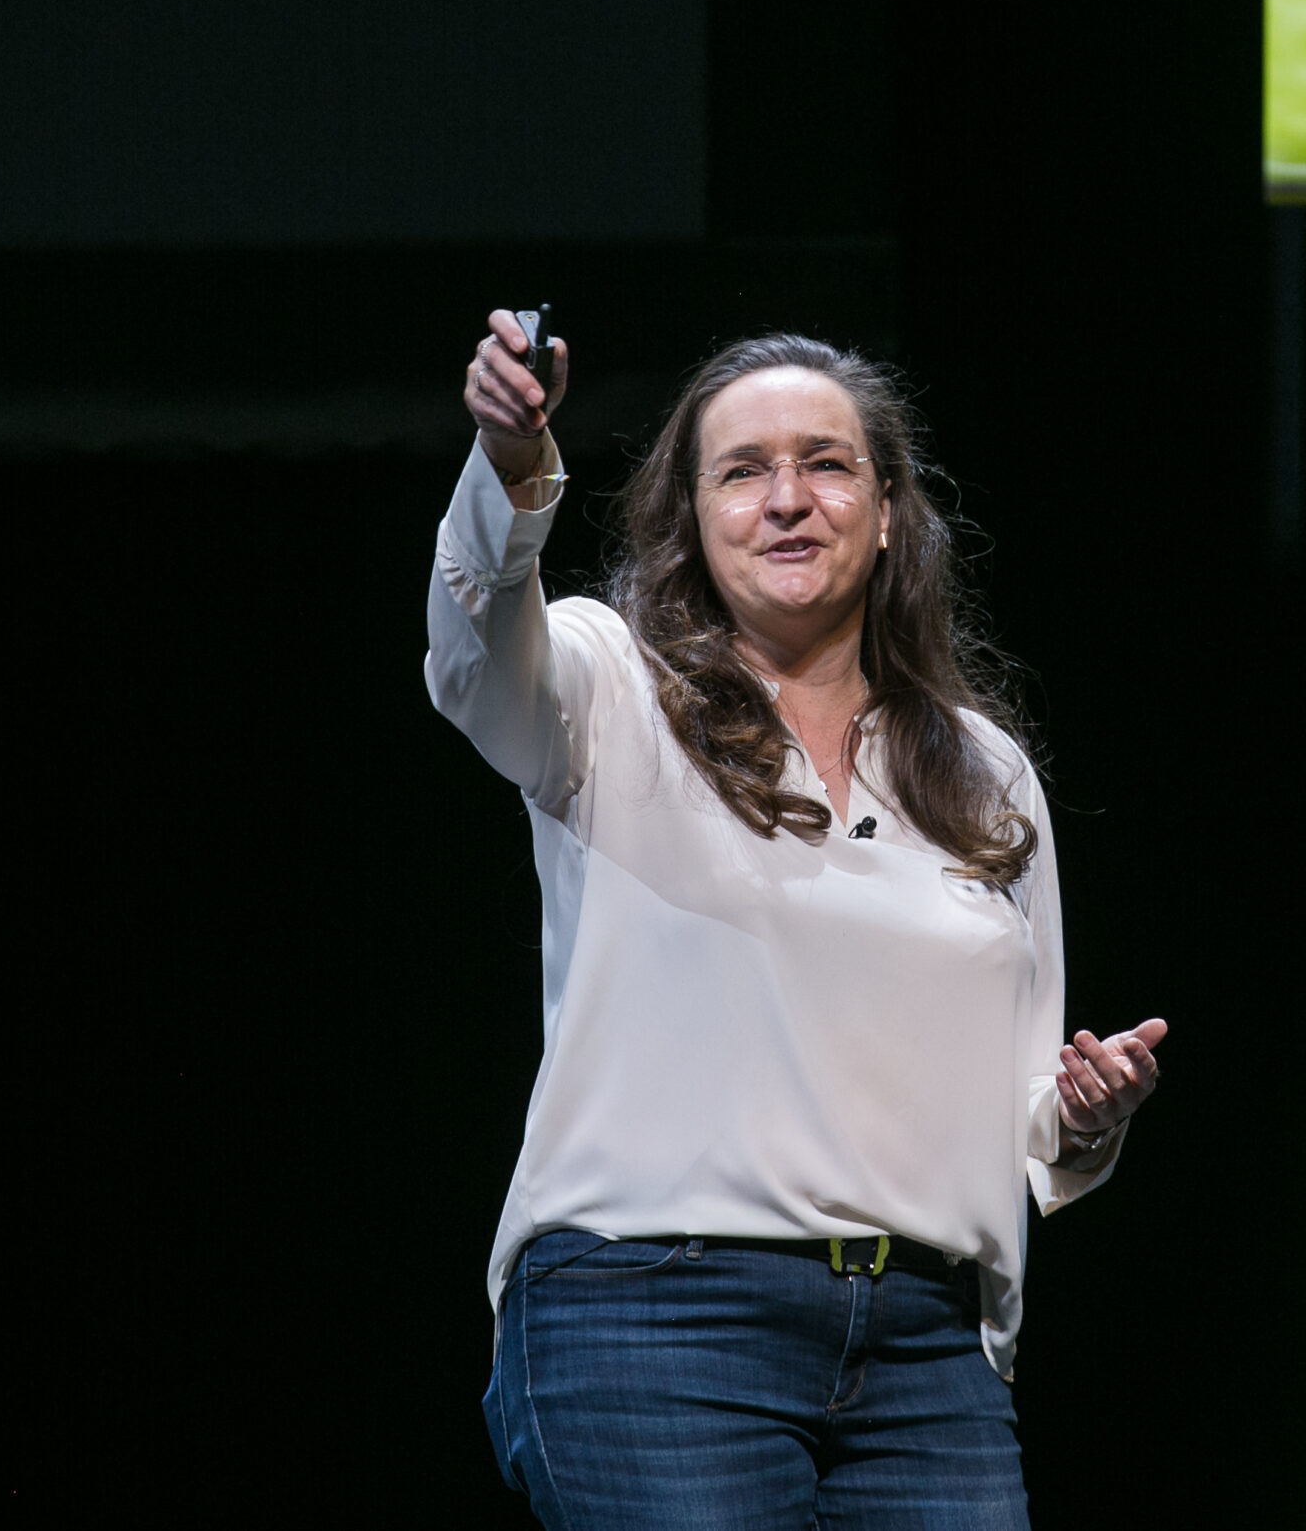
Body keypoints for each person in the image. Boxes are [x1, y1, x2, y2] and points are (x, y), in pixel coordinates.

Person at [428, 311, 1168, 1530]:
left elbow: (1022, 1103)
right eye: (742, 471)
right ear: (691, 516)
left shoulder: (982, 768)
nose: (786, 498)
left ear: (887, 512)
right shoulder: (607, 684)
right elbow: (470, 656)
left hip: (928, 1350)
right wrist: (510, 462)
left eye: (825, 463)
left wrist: (1082, 1114)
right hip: (653, 1311)